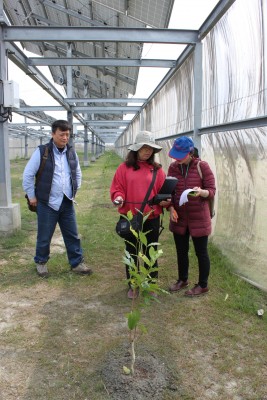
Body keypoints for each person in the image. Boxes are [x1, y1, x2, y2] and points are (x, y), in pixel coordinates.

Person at [22, 119, 93, 278]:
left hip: (66, 202)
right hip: (47, 203)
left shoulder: (71, 152)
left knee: (72, 234)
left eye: (67, 135)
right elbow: (28, 174)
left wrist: (74, 190)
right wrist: (32, 196)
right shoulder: (42, 152)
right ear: (53, 134)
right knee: (44, 235)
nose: (65, 138)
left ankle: (77, 263)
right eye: (62, 134)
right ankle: (41, 262)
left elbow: (78, 173)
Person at [110, 131, 169, 299]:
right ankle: (133, 284)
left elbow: (163, 192)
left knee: (151, 251)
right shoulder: (124, 168)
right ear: (136, 149)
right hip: (130, 217)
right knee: (132, 251)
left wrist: (166, 202)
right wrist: (118, 197)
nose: (147, 151)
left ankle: (151, 283)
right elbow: (117, 188)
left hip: (152, 217)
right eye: (144, 147)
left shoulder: (157, 170)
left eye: (150, 148)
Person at [167, 136, 216, 296]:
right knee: (181, 251)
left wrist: (202, 192)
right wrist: (171, 208)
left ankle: (203, 285)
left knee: (201, 252)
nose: (177, 159)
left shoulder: (202, 166)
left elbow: (212, 190)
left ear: (190, 153)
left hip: (198, 218)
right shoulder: (173, 168)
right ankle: (183, 279)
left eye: (180, 156)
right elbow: (170, 192)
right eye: (175, 155)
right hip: (179, 217)